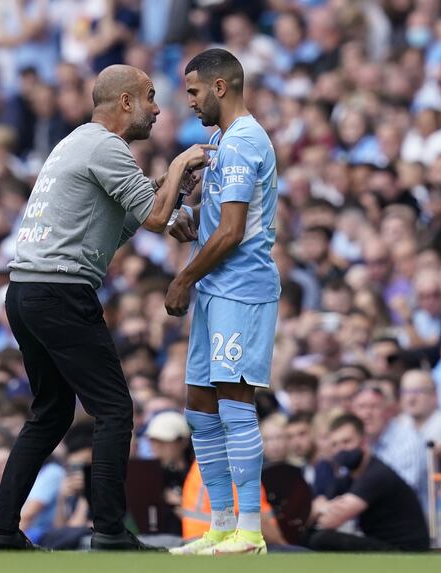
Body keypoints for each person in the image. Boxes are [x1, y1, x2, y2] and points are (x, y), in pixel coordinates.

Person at [0, 64, 213, 552]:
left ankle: (1, 531)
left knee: (49, 414)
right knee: (113, 409)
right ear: (125, 102)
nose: (157, 109)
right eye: (150, 98)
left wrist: (174, 198)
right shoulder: (106, 146)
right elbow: (151, 216)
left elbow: (123, 225)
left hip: (26, 291)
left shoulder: (77, 143)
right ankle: (108, 531)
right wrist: (174, 171)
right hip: (60, 292)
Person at [167, 48, 279, 555]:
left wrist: (183, 278)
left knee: (235, 402)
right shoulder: (219, 141)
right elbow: (218, 222)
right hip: (217, 287)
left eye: (192, 91)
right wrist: (189, 223)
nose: (187, 102)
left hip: (241, 289)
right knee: (199, 405)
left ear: (219, 87)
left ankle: (251, 531)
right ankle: (221, 525)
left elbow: (234, 231)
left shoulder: (243, 143)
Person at [306, 414, 429, 552]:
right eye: (335, 445)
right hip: (380, 543)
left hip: (405, 551)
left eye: (346, 442)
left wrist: (321, 508)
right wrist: (322, 507)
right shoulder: (348, 476)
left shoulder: (375, 474)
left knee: (321, 539)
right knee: (308, 535)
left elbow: (329, 521)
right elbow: (316, 507)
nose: (341, 449)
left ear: (363, 442)